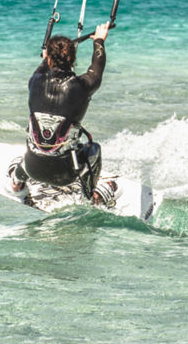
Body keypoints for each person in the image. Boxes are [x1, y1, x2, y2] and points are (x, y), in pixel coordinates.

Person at [8, 22, 116, 207]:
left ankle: (17, 184)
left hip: (32, 168)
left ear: (49, 59)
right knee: (94, 149)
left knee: (33, 148)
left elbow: (43, 67)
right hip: (66, 174)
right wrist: (99, 41)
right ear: (73, 61)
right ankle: (92, 198)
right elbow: (97, 66)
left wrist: (46, 58)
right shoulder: (82, 86)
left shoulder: (34, 81)